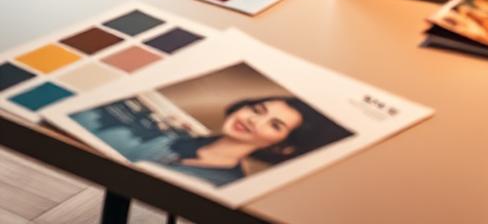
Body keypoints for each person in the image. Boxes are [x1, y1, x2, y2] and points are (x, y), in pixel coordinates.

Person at [73, 94, 351, 188]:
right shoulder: (174, 139)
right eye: (257, 110)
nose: (254, 121)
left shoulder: (226, 183)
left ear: (283, 146)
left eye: (274, 125)